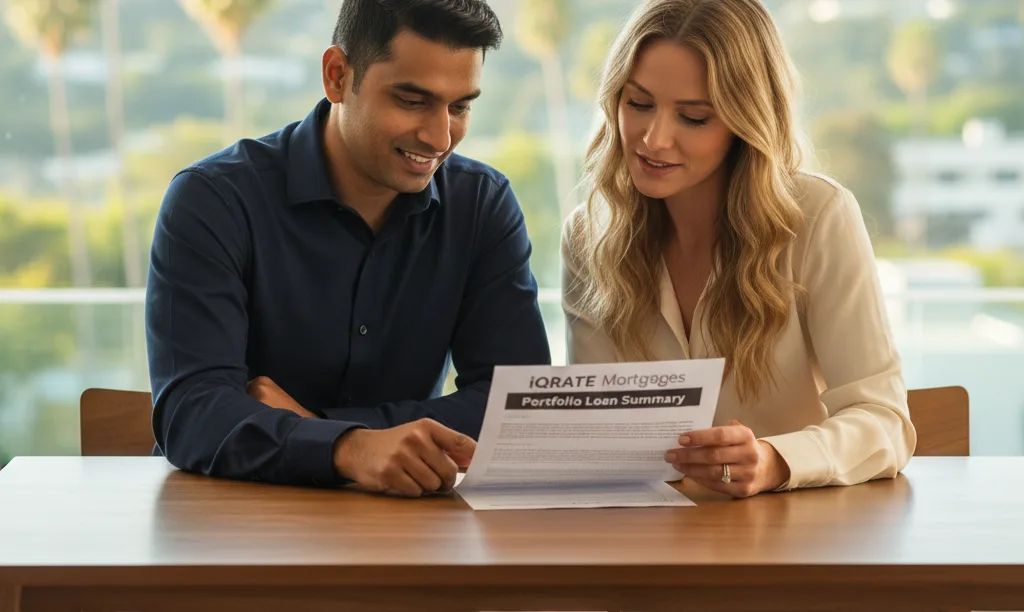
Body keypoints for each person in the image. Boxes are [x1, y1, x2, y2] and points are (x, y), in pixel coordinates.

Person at [146, 0, 550, 497]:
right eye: (411, 100)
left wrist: (318, 426)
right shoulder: (214, 201)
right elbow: (192, 412)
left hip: (406, 527)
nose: (441, 136)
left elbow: (518, 409)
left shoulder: (482, 205)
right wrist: (350, 448)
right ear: (337, 76)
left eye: (460, 106)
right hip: (237, 526)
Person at [562, 0, 916, 498]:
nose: (654, 138)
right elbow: (600, 436)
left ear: (745, 123)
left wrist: (775, 461)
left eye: (693, 117)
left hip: (793, 539)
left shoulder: (818, 216)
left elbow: (884, 421)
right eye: (638, 104)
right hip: (647, 540)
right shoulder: (589, 236)